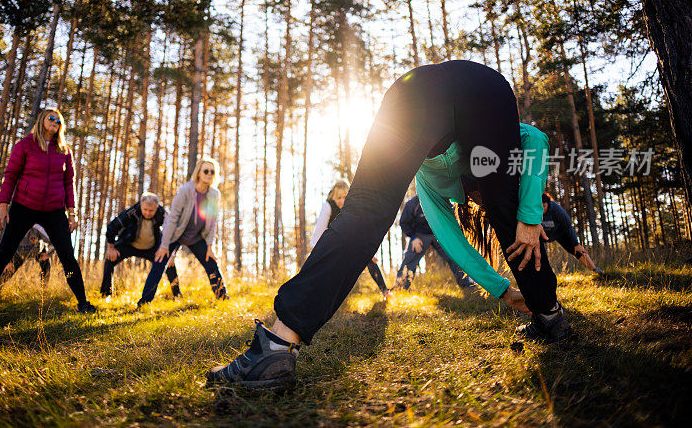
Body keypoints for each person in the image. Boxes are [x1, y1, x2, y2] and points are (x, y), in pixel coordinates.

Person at [207, 60, 572, 389]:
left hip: (414, 91)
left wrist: (522, 230)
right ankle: (550, 313)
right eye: (475, 201)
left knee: (369, 209)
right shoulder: (431, 186)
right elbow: (456, 237)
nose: (475, 202)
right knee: (372, 209)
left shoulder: (457, 175)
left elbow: (532, 147)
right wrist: (522, 235)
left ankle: (275, 346)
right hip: (466, 87)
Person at [0, 108, 96, 314]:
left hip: (54, 211)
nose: (55, 122)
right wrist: (3, 206)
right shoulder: (25, 145)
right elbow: (11, 176)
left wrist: (73, 213)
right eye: (51, 118)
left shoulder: (64, 151)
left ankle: (83, 304)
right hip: (24, 207)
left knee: (68, 256)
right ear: (41, 120)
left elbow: (69, 183)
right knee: (4, 254)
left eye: (59, 120)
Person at [137, 157, 228, 306]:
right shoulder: (186, 190)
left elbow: (213, 221)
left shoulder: (214, 194)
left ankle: (223, 297)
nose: (209, 174)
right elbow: (172, 218)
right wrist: (165, 245)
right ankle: (144, 302)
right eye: (206, 171)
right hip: (175, 234)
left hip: (196, 236)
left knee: (211, 263)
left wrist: (209, 246)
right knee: (159, 263)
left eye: (212, 172)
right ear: (199, 173)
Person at [311, 181, 391, 299]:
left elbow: (360, 231)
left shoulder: (354, 208)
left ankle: (385, 291)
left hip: (347, 242)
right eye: (339, 198)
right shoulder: (328, 207)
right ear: (333, 197)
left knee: (370, 258)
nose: (342, 201)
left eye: (345, 197)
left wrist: (369, 250)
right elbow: (319, 233)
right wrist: (319, 255)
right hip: (329, 244)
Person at [101, 192, 182, 298]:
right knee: (109, 260)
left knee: (168, 262)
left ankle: (177, 295)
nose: (148, 213)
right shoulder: (132, 212)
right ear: (140, 205)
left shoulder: (162, 214)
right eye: (145, 210)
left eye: (151, 210)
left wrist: (172, 254)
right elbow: (113, 226)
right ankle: (106, 294)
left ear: (157, 207)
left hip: (152, 248)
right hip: (129, 244)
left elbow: (174, 233)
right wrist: (111, 248)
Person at [395, 195, 476, 289]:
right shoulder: (413, 203)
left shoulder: (441, 200)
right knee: (410, 259)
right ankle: (400, 286)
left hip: (440, 234)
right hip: (420, 236)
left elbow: (453, 217)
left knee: (454, 256)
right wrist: (413, 238)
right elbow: (404, 222)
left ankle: (466, 284)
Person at [541, 193, 604, 274]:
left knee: (577, 250)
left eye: (544, 206)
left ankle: (595, 269)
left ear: (548, 204)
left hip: (560, 232)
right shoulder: (533, 211)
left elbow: (567, 225)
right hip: (543, 235)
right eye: (540, 207)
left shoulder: (555, 208)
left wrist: (576, 244)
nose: (542, 209)